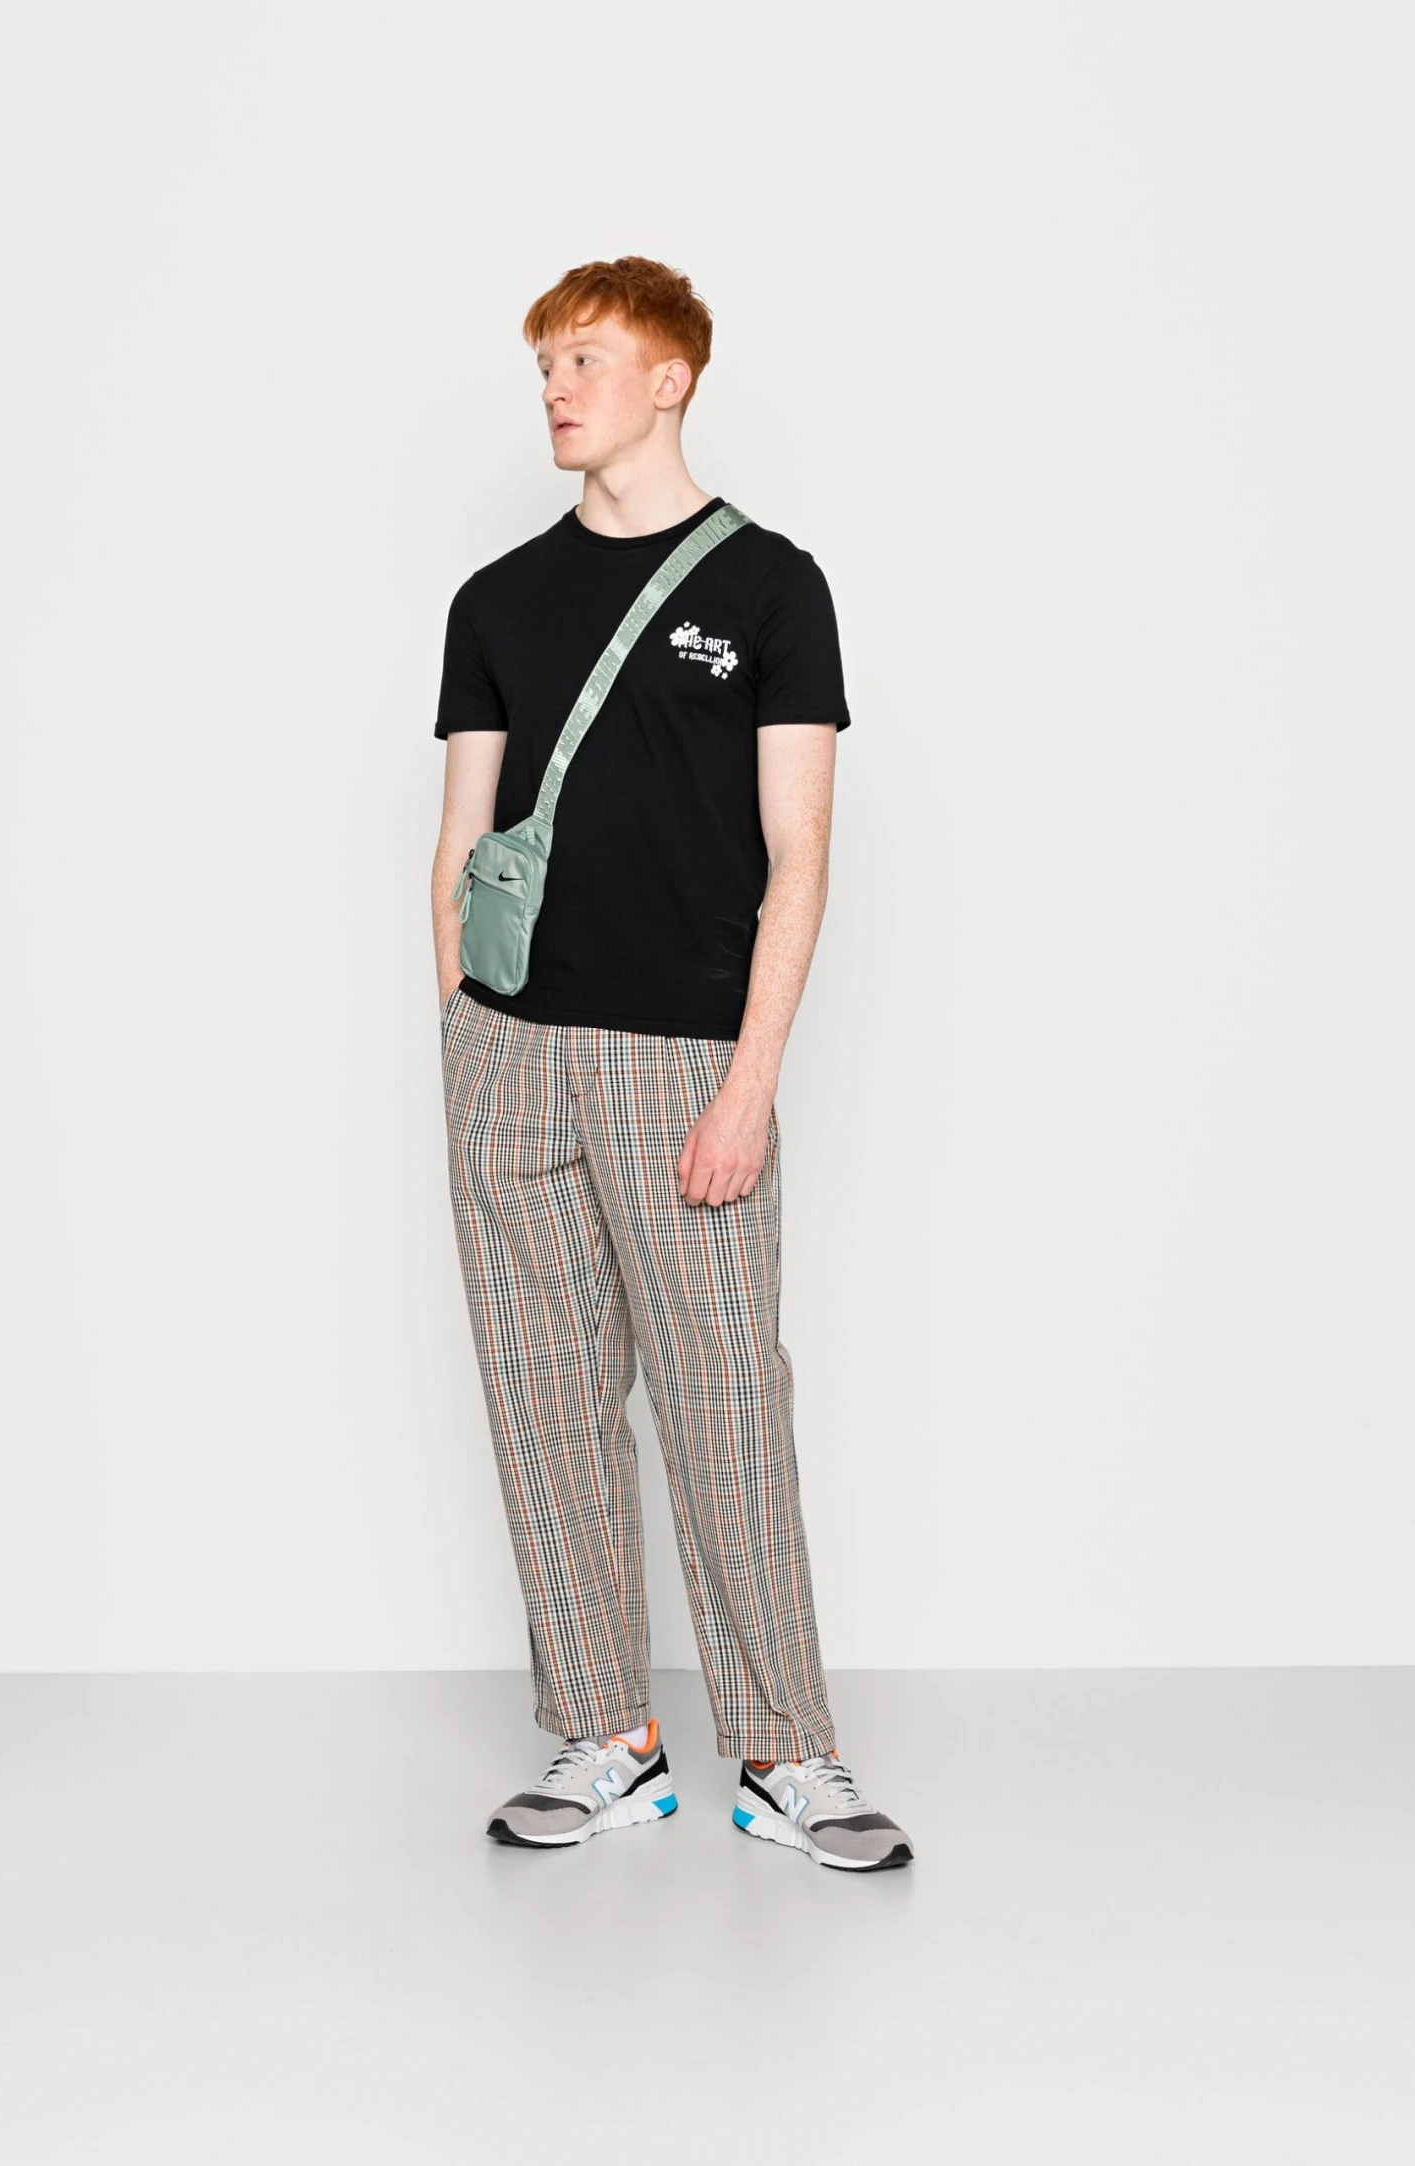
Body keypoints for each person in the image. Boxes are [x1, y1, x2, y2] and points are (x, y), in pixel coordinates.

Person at [431, 256, 912, 1873]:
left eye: (586, 358)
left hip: (686, 1056)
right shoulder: (495, 600)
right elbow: (460, 840)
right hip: (509, 1057)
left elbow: (802, 855)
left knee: (726, 1399)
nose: (557, 387)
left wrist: (750, 1080)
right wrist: (461, 1026)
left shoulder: (773, 588)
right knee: (543, 1395)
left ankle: (785, 1750)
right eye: (544, 365)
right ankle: (606, 1734)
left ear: (671, 376)